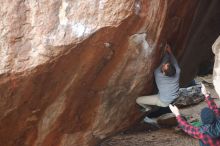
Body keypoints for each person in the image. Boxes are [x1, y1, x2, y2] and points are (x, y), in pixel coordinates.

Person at [136, 43, 181, 110]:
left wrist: (166, 54)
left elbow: (165, 61)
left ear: (163, 73)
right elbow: (172, 60)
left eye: (164, 66)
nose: (164, 64)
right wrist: (169, 51)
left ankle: (147, 108)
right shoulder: (177, 70)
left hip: (163, 101)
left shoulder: (158, 74)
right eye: (166, 64)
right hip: (171, 96)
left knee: (138, 100)